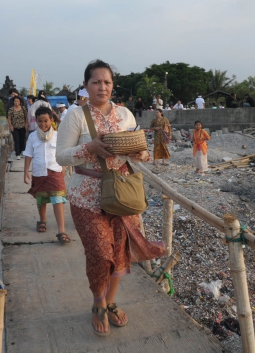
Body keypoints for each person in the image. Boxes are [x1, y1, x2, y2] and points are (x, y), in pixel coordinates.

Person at [56, 59, 165, 336]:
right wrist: (89, 148)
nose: (101, 87)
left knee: (120, 253)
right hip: (86, 196)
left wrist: (140, 153)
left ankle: (111, 300)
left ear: (112, 85)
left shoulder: (126, 114)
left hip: (122, 193)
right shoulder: (76, 115)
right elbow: (60, 156)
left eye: (106, 82)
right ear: (86, 85)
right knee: (100, 253)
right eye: (96, 82)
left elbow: (138, 151)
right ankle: (97, 301)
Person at [23, 106, 69, 243]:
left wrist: (64, 166)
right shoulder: (32, 137)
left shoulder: (58, 136)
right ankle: (42, 220)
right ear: (36, 121)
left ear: (52, 120)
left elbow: (63, 152)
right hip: (38, 171)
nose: (43, 124)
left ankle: (61, 231)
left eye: (46, 121)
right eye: (40, 121)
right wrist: (26, 171)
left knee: (58, 199)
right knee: (41, 198)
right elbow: (28, 154)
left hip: (55, 171)